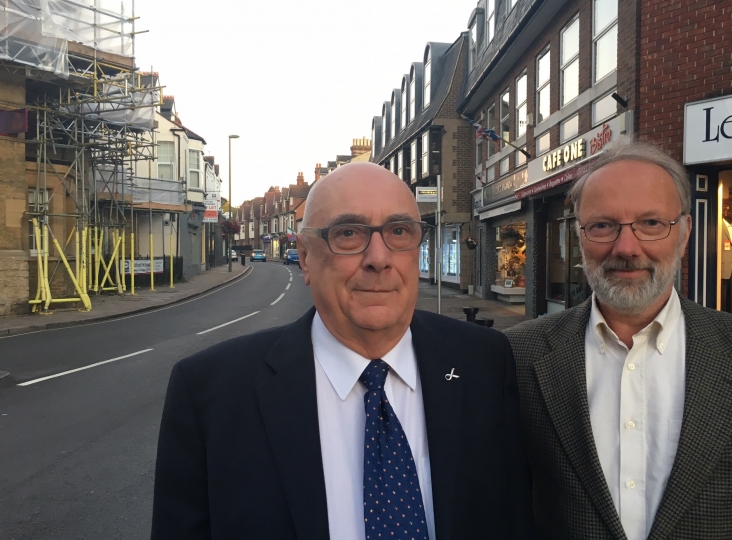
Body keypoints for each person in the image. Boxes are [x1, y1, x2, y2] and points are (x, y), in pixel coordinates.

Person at [151, 162, 534, 539]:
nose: (379, 258)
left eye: (399, 231)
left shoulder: (485, 363)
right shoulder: (210, 394)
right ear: (304, 258)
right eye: (348, 233)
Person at [505, 140, 732, 539]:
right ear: (579, 234)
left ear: (685, 233)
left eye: (651, 223)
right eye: (603, 225)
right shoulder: (518, 355)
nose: (626, 248)